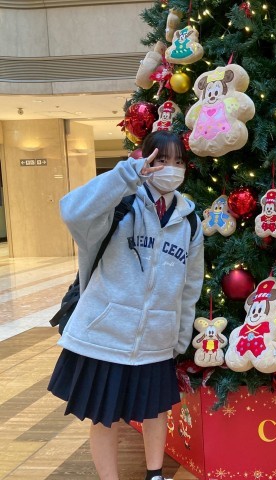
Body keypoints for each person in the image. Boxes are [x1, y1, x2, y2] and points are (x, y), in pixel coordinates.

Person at [48, 130, 205, 480]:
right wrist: (126, 175)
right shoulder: (120, 205)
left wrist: (179, 334)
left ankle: (155, 474)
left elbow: (190, 285)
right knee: (104, 416)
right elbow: (71, 211)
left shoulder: (190, 220)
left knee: (155, 411)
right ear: (145, 160)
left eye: (178, 161)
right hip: (107, 335)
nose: (171, 168)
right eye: (161, 159)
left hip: (156, 340)